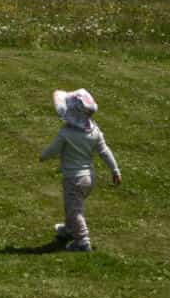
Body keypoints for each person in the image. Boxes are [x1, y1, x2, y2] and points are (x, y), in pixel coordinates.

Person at [39, 88, 121, 252]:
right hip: (89, 178)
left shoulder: (66, 133)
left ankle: (82, 240)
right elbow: (104, 151)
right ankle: (70, 229)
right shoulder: (94, 132)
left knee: (74, 209)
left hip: (73, 178)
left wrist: (43, 156)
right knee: (72, 205)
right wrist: (115, 170)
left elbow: (54, 149)